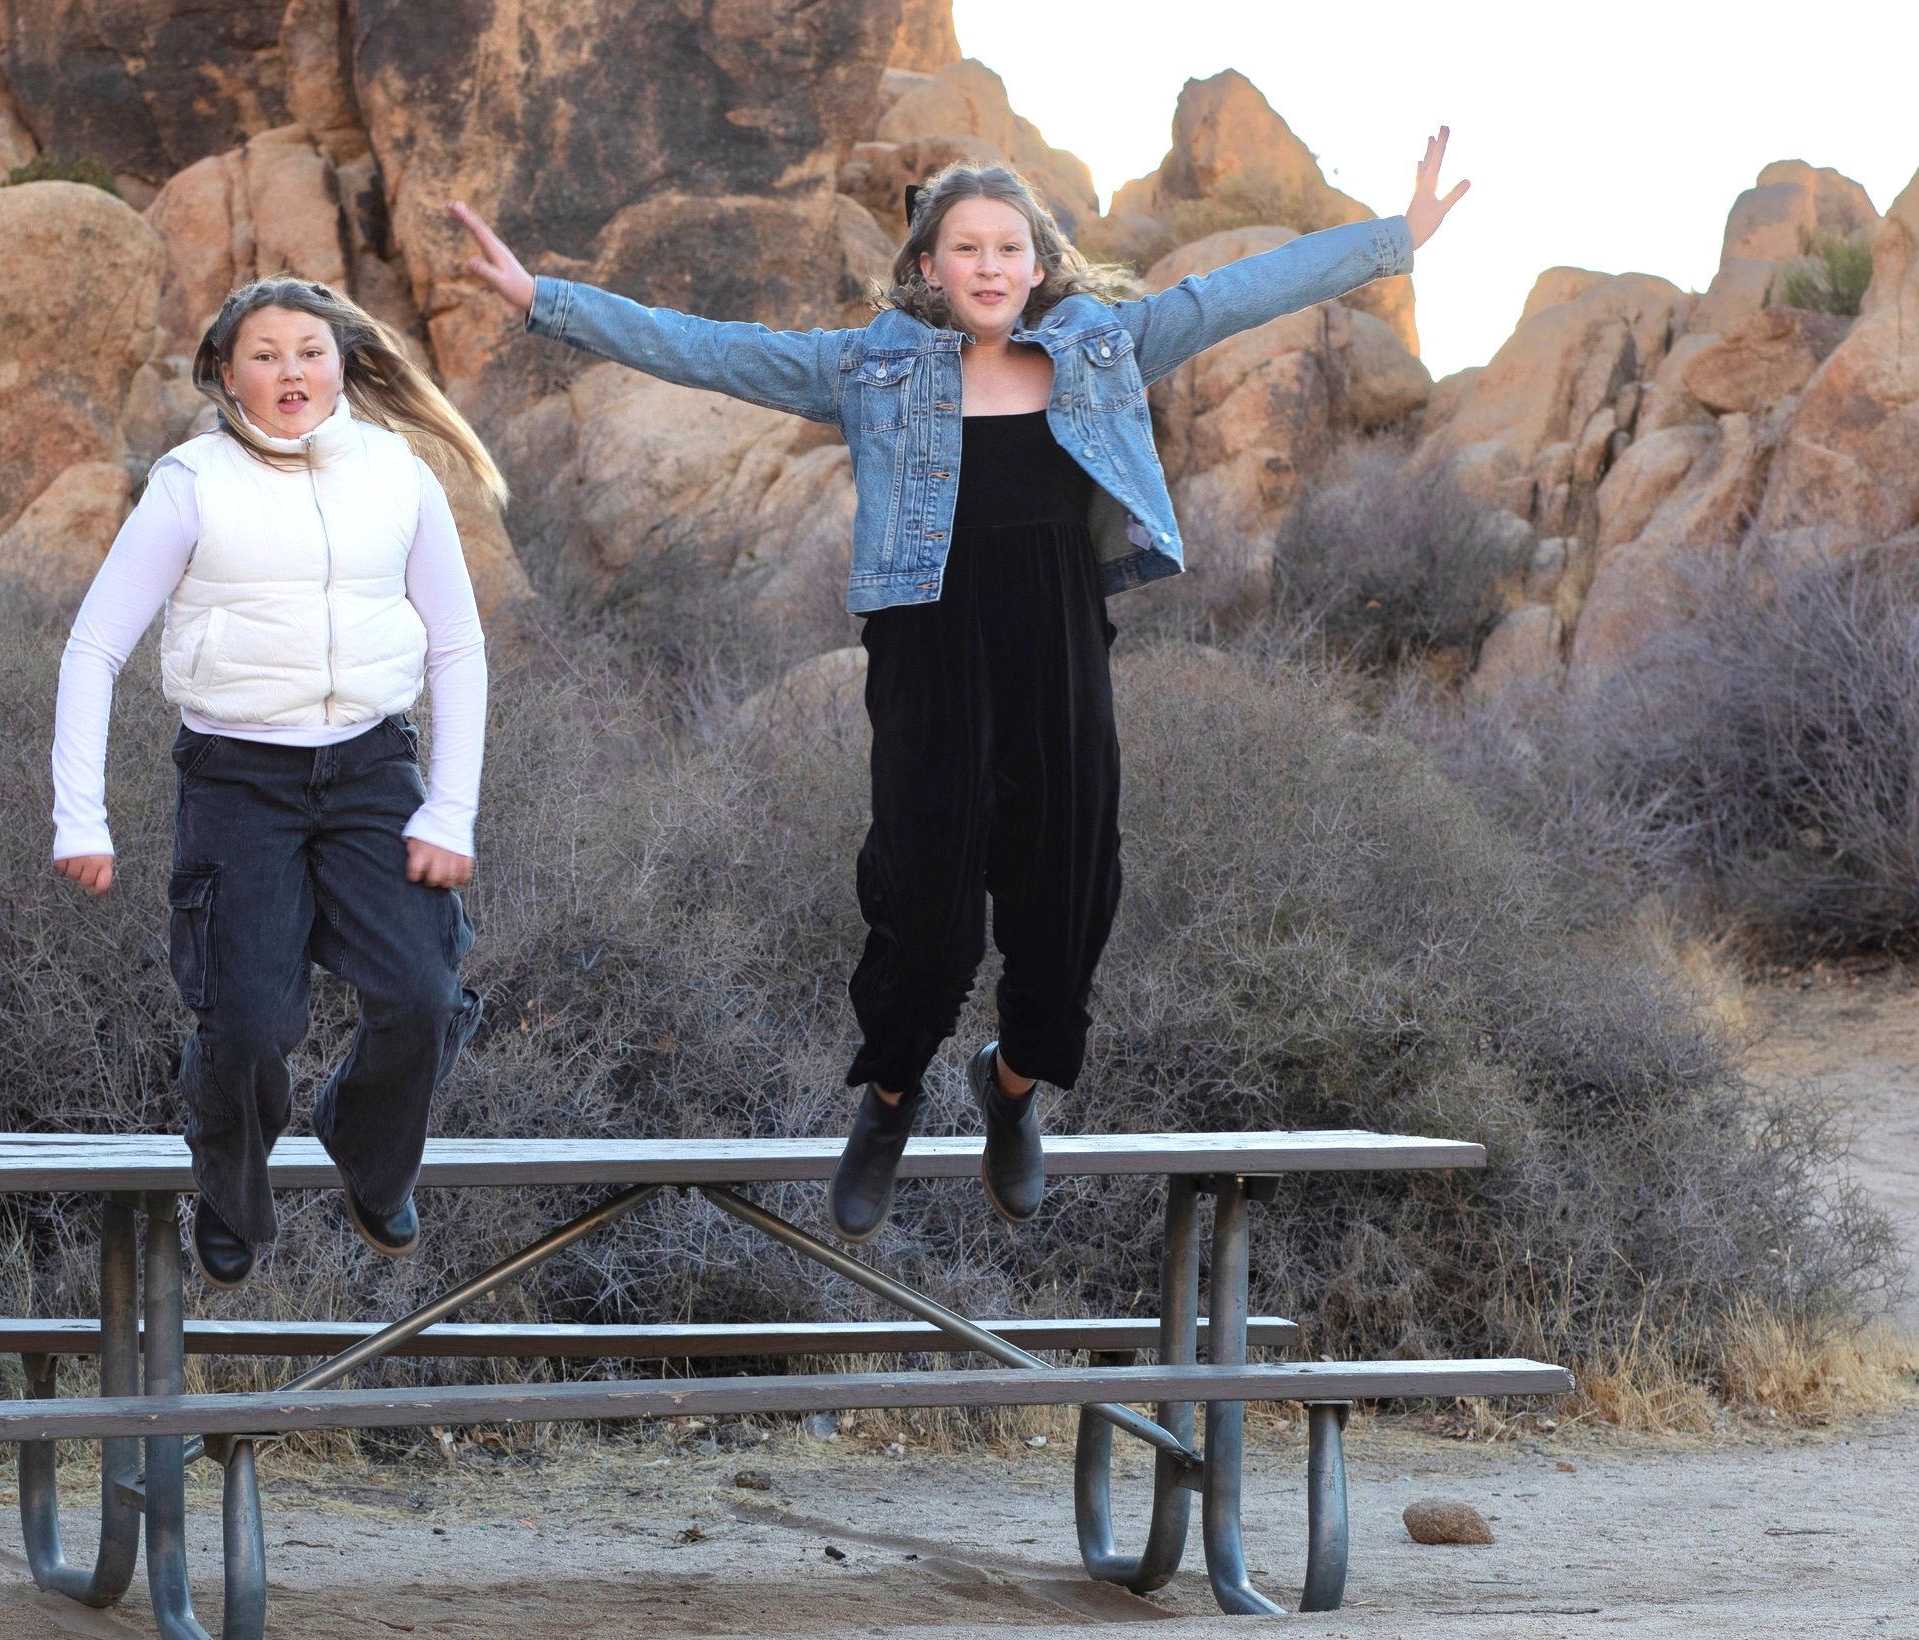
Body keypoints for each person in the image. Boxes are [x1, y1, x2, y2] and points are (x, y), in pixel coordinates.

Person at [451, 131, 1469, 1242]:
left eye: (1008, 246)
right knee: (924, 910)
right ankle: (887, 1099)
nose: (987, 265)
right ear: (928, 265)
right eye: (964, 246)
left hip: (1057, 645)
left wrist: (1394, 239)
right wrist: (544, 299)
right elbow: (708, 348)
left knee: (1069, 897)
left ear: (1038, 263)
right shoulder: (870, 366)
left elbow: (1235, 291)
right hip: (927, 651)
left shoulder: (1104, 346)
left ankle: (1014, 1086)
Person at [49, 276, 504, 1284]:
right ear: (224, 372)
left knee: (422, 994)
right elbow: (92, 647)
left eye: (309, 349)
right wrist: (79, 814)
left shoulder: (397, 473)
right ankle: (233, 1193)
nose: (290, 370)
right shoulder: (190, 483)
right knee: (249, 1021)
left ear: (341, 362)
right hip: (237, 779)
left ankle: (370, 1153)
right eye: (265, 353)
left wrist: (450, 804)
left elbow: (459, 645)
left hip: (373, 770)